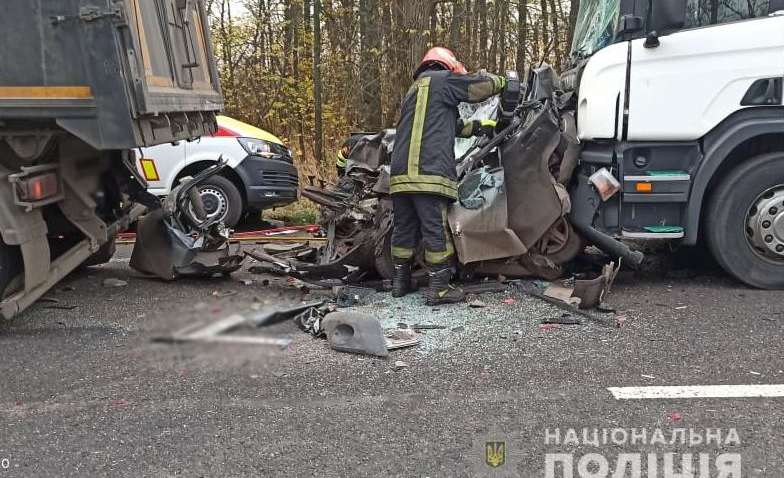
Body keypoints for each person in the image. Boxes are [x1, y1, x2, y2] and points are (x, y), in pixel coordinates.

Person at [390, 46, 506, 305]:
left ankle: (400, 283)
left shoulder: (415, 91)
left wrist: (482, 126)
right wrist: (504, 81)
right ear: (446, 65)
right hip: (428, 173)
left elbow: (448, 125)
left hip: (400, 176)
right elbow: (478, 86)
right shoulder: (443, 80)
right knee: (435, 232)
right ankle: (439, 289)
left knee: (404, 231)